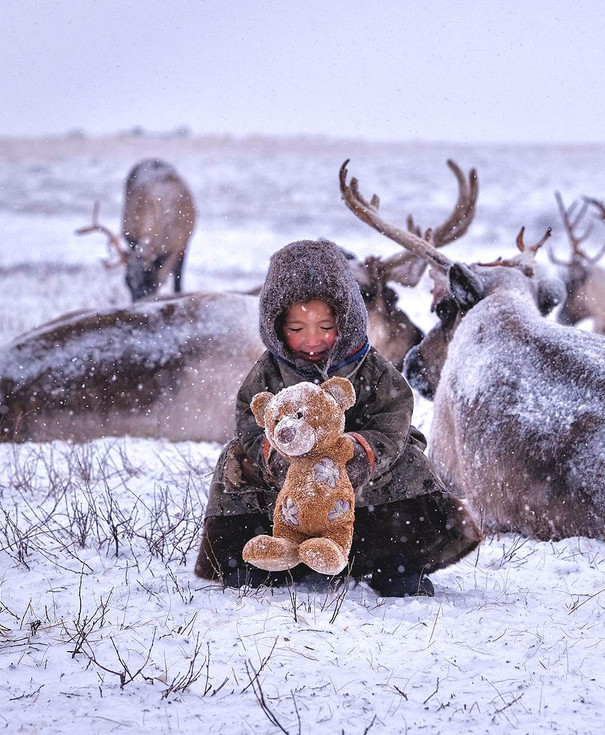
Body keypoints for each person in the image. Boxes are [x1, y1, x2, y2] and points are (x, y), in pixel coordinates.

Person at [193, 239, 481, 596]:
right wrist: (274, 456)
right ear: (276, 326)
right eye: (296, 329)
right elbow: (250, 420)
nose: (312, 340)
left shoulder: (370, 367)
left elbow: (394, 417)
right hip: (289, 485)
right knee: (235, 462)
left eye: (325, 327)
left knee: (409, 460)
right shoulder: (269, 371)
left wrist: (360, 453)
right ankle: (250, 558)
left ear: (346, 320)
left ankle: (395, 561)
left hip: (358, 476)